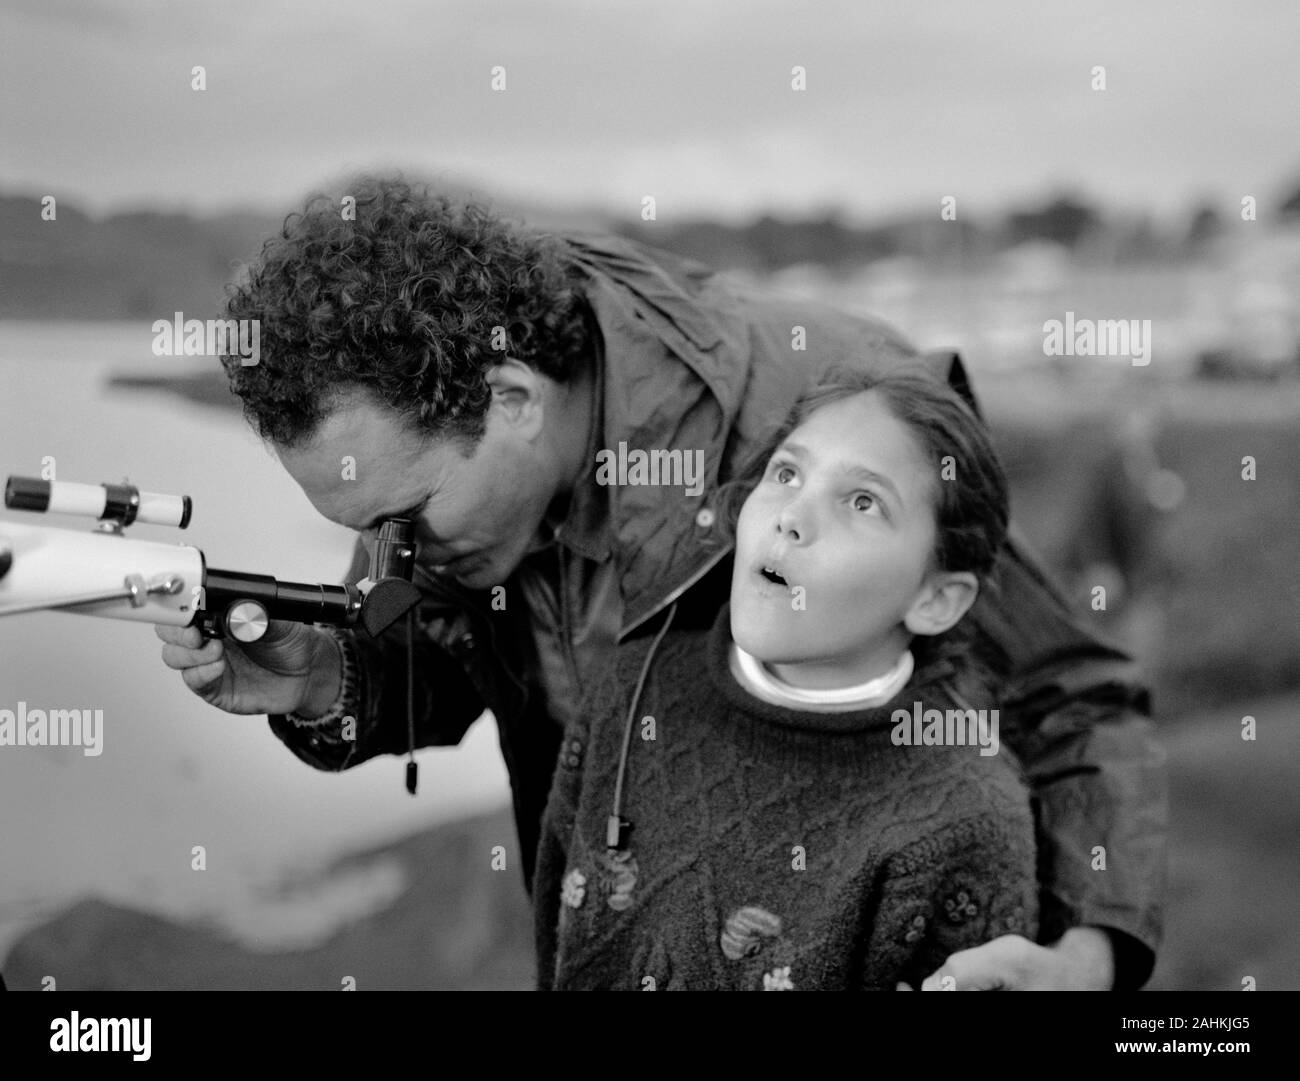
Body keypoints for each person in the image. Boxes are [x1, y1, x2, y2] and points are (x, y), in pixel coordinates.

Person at [155, 176, 1166, 989]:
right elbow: (443, 659)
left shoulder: (839, 417)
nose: (389, 556)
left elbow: (1072, 698)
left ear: (510, 400)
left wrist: (1089, 957)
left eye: (404, 519)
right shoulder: (443, 432)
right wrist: (323, 681)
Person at [534, 364, 1037, 990]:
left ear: (935, 599)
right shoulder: (629, 691)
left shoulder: (967, 814)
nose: (791, 516)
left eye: (862, 501)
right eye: (787, 472)